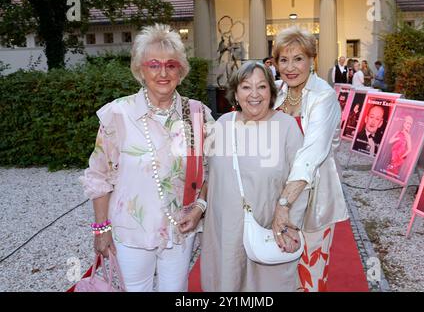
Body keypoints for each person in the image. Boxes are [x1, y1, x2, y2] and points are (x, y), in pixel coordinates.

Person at [79, 24, 214, 292]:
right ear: (140, 70)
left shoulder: (198, 114)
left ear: (181, 70)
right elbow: (99, 174)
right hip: (131, 230)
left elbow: (212, 171)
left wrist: (199, 207)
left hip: (180, 229)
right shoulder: (118, 113)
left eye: (171, 65)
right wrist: (101, 228)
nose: (163, 73)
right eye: (154, 65)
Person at [201, 61, 305, 292]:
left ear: (271, 91)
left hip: (270, 229)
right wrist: (200, 206)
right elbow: (210, 176)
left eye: (262, 87)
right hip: (225, 233)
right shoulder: (222, 125)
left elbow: (301, 180)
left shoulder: (287, 127)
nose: (254, 94)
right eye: (246, 87)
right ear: (236, 93)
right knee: (228, 283)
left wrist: (290, 225)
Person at [272, 26, 348, 292]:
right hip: (278, 193)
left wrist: (284, 203)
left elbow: (311, 153)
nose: (290, 67)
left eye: (298, 58)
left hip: (314, 196)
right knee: (280, 274)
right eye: (284, 59)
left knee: (309, 276)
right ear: (275, 63)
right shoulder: (276, 94)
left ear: (312, 60)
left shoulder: (323, 96)